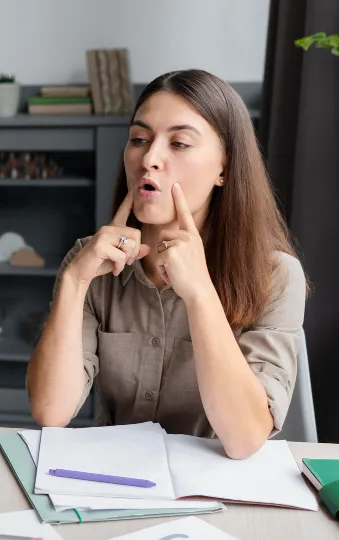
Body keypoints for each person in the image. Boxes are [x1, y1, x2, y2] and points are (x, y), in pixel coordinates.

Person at [26, 69, 307, 459]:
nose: (150, 159)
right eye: (139, 139)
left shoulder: (276, 277)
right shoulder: (90, 263)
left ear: (224, 168)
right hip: (112, 480)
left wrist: (199, 292)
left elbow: (245, 438)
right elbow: (50, 411)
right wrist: (75, 281)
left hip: (215, 492)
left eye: (179, 143)